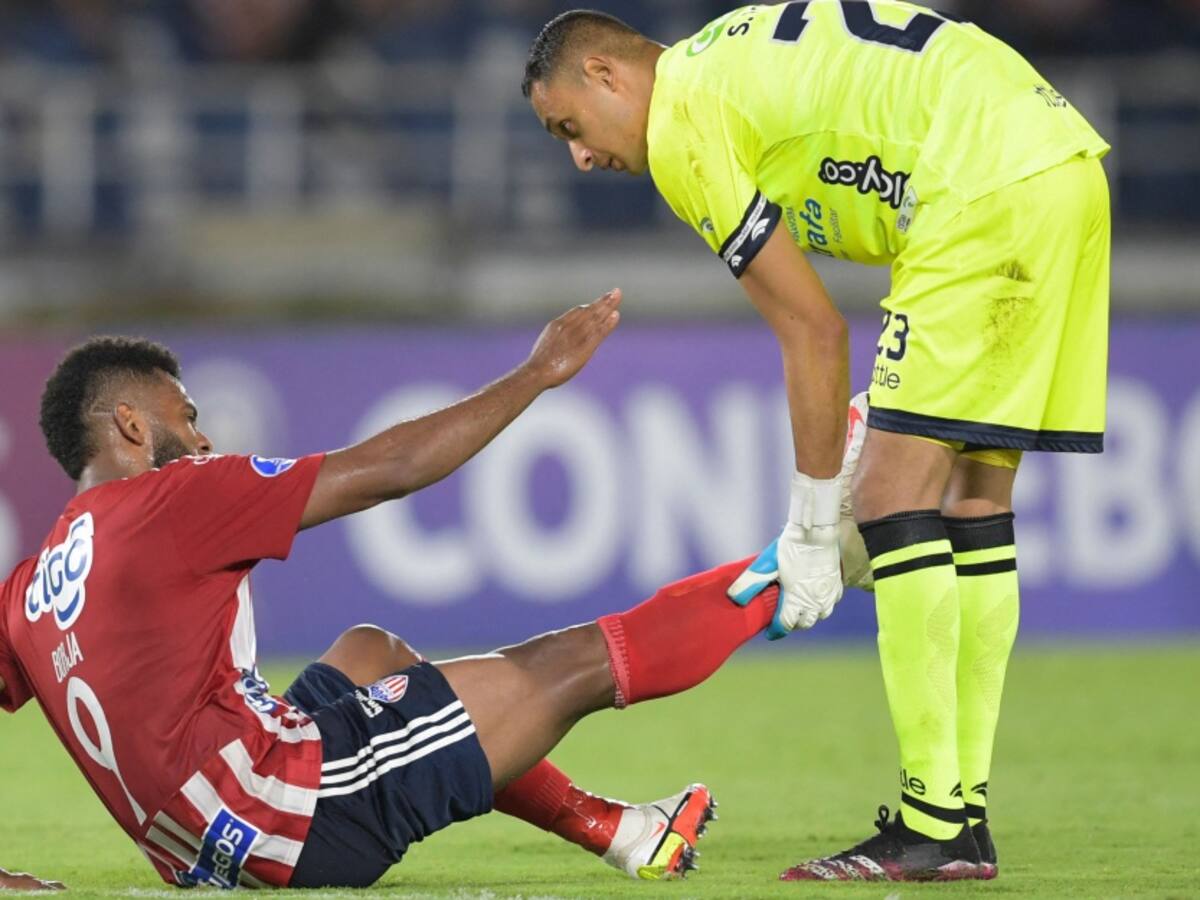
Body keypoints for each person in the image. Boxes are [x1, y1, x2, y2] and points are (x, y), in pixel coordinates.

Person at [523, 2, 1110, 883]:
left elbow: (814, 332)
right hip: (1062, 164)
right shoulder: (724, 61)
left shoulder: (684, 123)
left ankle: (932, 823)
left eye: (570, 124)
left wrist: (806, 530)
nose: (579, 154)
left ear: (607, 74)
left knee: (886, 498)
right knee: (977, 496)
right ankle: (963, 815)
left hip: (979, 186)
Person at [0, 294, 865, 889]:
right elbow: (390, 470)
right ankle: (797, 569)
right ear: (128, 425)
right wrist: (537, 374)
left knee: (369, 653)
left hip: (198, 852)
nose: (203, 433)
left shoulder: (32, 584)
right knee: (569, 666)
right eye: (185, 416)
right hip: (288, 816)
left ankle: (620, 830)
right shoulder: (172, 497)